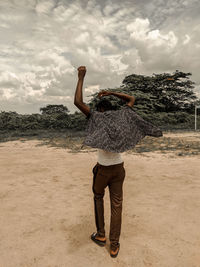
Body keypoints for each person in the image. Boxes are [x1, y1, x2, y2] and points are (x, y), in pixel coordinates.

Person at [74, 66, 163, 258]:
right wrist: (112, 92)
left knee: (98, 197)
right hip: (119, 169)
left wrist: (81, 77)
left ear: (99, 110)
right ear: (112, 108)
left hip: (103, 170)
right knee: (117, 206)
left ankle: (101, 235)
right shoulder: (121, 116)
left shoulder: (97, 117)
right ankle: (114, 245)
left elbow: (77, 102)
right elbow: (131, 99)